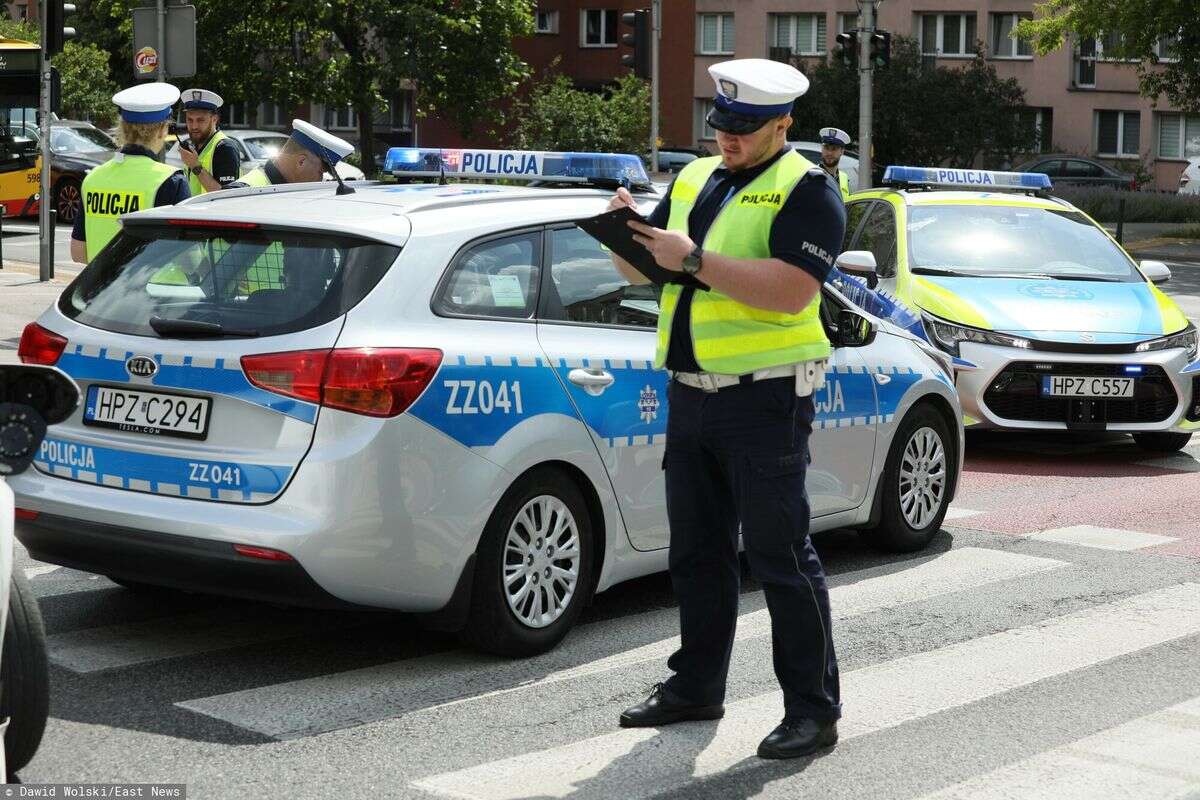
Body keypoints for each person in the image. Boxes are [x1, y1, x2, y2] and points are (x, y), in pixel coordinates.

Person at [609, 58, 846, 760]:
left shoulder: (808, 188)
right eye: (721, 125)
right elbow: (650, 266)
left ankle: (812, 710)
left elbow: (791, 292)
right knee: (698, 554)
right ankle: (695, 687)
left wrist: (691, 262)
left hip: (766, 397)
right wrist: (625, 233)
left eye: (744, 129)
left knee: (779, 555)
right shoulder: (691, 177)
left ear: (784, 125)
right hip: (691, 393)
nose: (728, 139)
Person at [70, 83, 190, 264]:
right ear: (161, 130)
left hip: (100, 290)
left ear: (123, 128)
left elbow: (78, 253)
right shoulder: (171, 181)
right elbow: (187, 259)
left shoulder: (93, 178)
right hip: (153, 289)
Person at [229, 119, 354, 188]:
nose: (321, 179)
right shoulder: (242, 192)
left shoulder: (288, 188)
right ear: (301, 162)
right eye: (321, 171)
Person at [177, 88, 241, 194]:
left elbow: (226, 197)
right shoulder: (194, 146)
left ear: (214, 119)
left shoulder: (225, 147)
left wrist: (195, 167)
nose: (194, 126)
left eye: (200, 120)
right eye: (190, 120)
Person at [818, 127, 852, 201]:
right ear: (822, 148)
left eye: (834, 149)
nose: (829, 153)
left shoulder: (844, 178)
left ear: (842, 151)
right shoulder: (812, 176)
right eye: (826, 147)